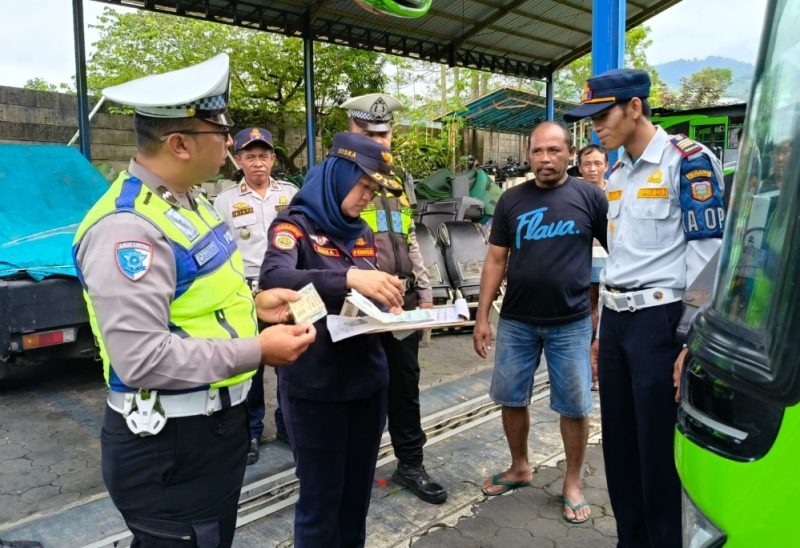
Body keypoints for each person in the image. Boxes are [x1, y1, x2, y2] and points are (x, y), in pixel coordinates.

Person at [72, 54, 316, 547]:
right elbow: (142, 358)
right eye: (219, 132)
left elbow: (199, 299)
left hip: (208, 431)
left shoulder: (189, 200)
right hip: (170, 443)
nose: (231, 144)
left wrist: (256, 302)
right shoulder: (128, 230)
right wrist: (259, 350)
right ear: (180, 143)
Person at [564, 68, 725, 548]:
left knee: (658, 449)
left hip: (661, 323)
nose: (595, 127)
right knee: (620, 444)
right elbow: (621, 260)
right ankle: (629, 539)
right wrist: (599, 332)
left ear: (635, 107)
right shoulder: (615, 174)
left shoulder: (687, 163)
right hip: (616, 322)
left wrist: (693, 338)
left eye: (602, 114)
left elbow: (708, 257)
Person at [260, 132, 406, 547]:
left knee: (356, 496)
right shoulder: (294, 225)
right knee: (321, 500)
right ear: (338, 176)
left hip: (367, 382)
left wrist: (390, 303)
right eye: (363, 187)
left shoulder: (361, 231)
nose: (367, 198)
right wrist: (347, 278)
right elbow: (275, 277)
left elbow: (363, 295)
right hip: (315, 386)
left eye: (374, 190)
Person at [472, 121, 608, 524]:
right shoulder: (512, 201)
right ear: (528, 154)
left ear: (569, 153)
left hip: (571, 321)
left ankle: (572, 482)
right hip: (516, 320)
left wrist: (606, 323)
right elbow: (496, 259)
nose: (545, 159)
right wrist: (481, 317)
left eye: (553, 150)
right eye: (537, 151)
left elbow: (618, 251)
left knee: (575, 405)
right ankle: (520, 467)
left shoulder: (589, 197)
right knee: (511, 397)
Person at [339, 93, 447, 504]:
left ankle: (411, 463)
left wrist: (426, 292)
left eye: (383, 134)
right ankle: (351, 468)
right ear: (351, 131)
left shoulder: (395, 182)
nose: (379, 141)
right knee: (357, 388)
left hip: (401, 306)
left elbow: (410, 243)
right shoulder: (336, 180)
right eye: (368, 133)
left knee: (405, 386)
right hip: (360, 308)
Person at [214, 127, 298, 464]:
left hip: (288, 290)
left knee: (291, 361)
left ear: (273, 159)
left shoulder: (292, 195)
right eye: (250, 156)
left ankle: (288, 427)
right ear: (238, 160)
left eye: (264, 156)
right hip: (246, 292)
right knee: (250, 365)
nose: (258, 163)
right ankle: (250, 431)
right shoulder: (225, 201)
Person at [577, 143, 610, 391]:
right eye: (587, 164)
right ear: (579, 167)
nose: (592, 169)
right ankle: (588, 371)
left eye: (598, 163)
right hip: (581, 265)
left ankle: (600, 368)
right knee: (586, 312)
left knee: (604, 314)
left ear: (606, 166)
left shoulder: (617, 193)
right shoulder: (574, 194)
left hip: (610, 266)